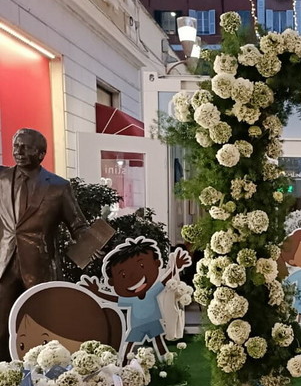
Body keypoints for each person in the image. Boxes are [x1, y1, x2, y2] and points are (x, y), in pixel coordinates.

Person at [0, 128, 91, 359]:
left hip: (40, 267)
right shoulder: (1, 178)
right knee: (1, 326)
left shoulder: (58, 187)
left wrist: (92, 243)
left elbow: (78, 225)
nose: (19, 151)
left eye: (26, 147)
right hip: (4, 265)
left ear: (41, 154)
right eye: (16, 145)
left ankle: (42, 373)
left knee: (42, 327)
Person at [83, 236, 190, 359]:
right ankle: (124, 362)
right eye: (123, 275)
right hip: (137, 326)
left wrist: (176, 267)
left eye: (142, 266)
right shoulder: (133, 298)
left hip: (153, 322)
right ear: (112, 282)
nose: (134, 277)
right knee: (129, 345)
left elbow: (165, 281)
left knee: (159, 343)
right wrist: (96, 292)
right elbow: (114, 299)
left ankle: (166, 361)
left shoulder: (151, 292)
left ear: (156, 263)